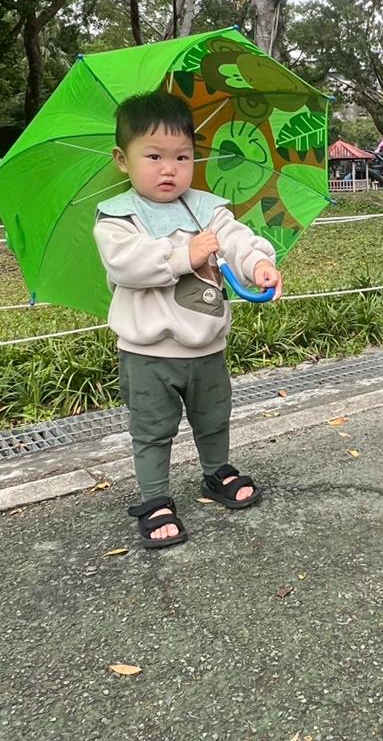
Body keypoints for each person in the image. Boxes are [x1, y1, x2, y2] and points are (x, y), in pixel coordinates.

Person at [93, 92, 282, 549]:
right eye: (153, 156)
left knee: (213, 417)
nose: (169, 169)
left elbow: (237, 240)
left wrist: (259, 263)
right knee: (152, 430)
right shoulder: (116, 218)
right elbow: (126, 264)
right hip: (148, 353)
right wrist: (186, 253)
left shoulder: (207, 209)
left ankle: (216, 473)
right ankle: (155, 499)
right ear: (122, 159)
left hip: (207, 347)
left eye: (182, 157)